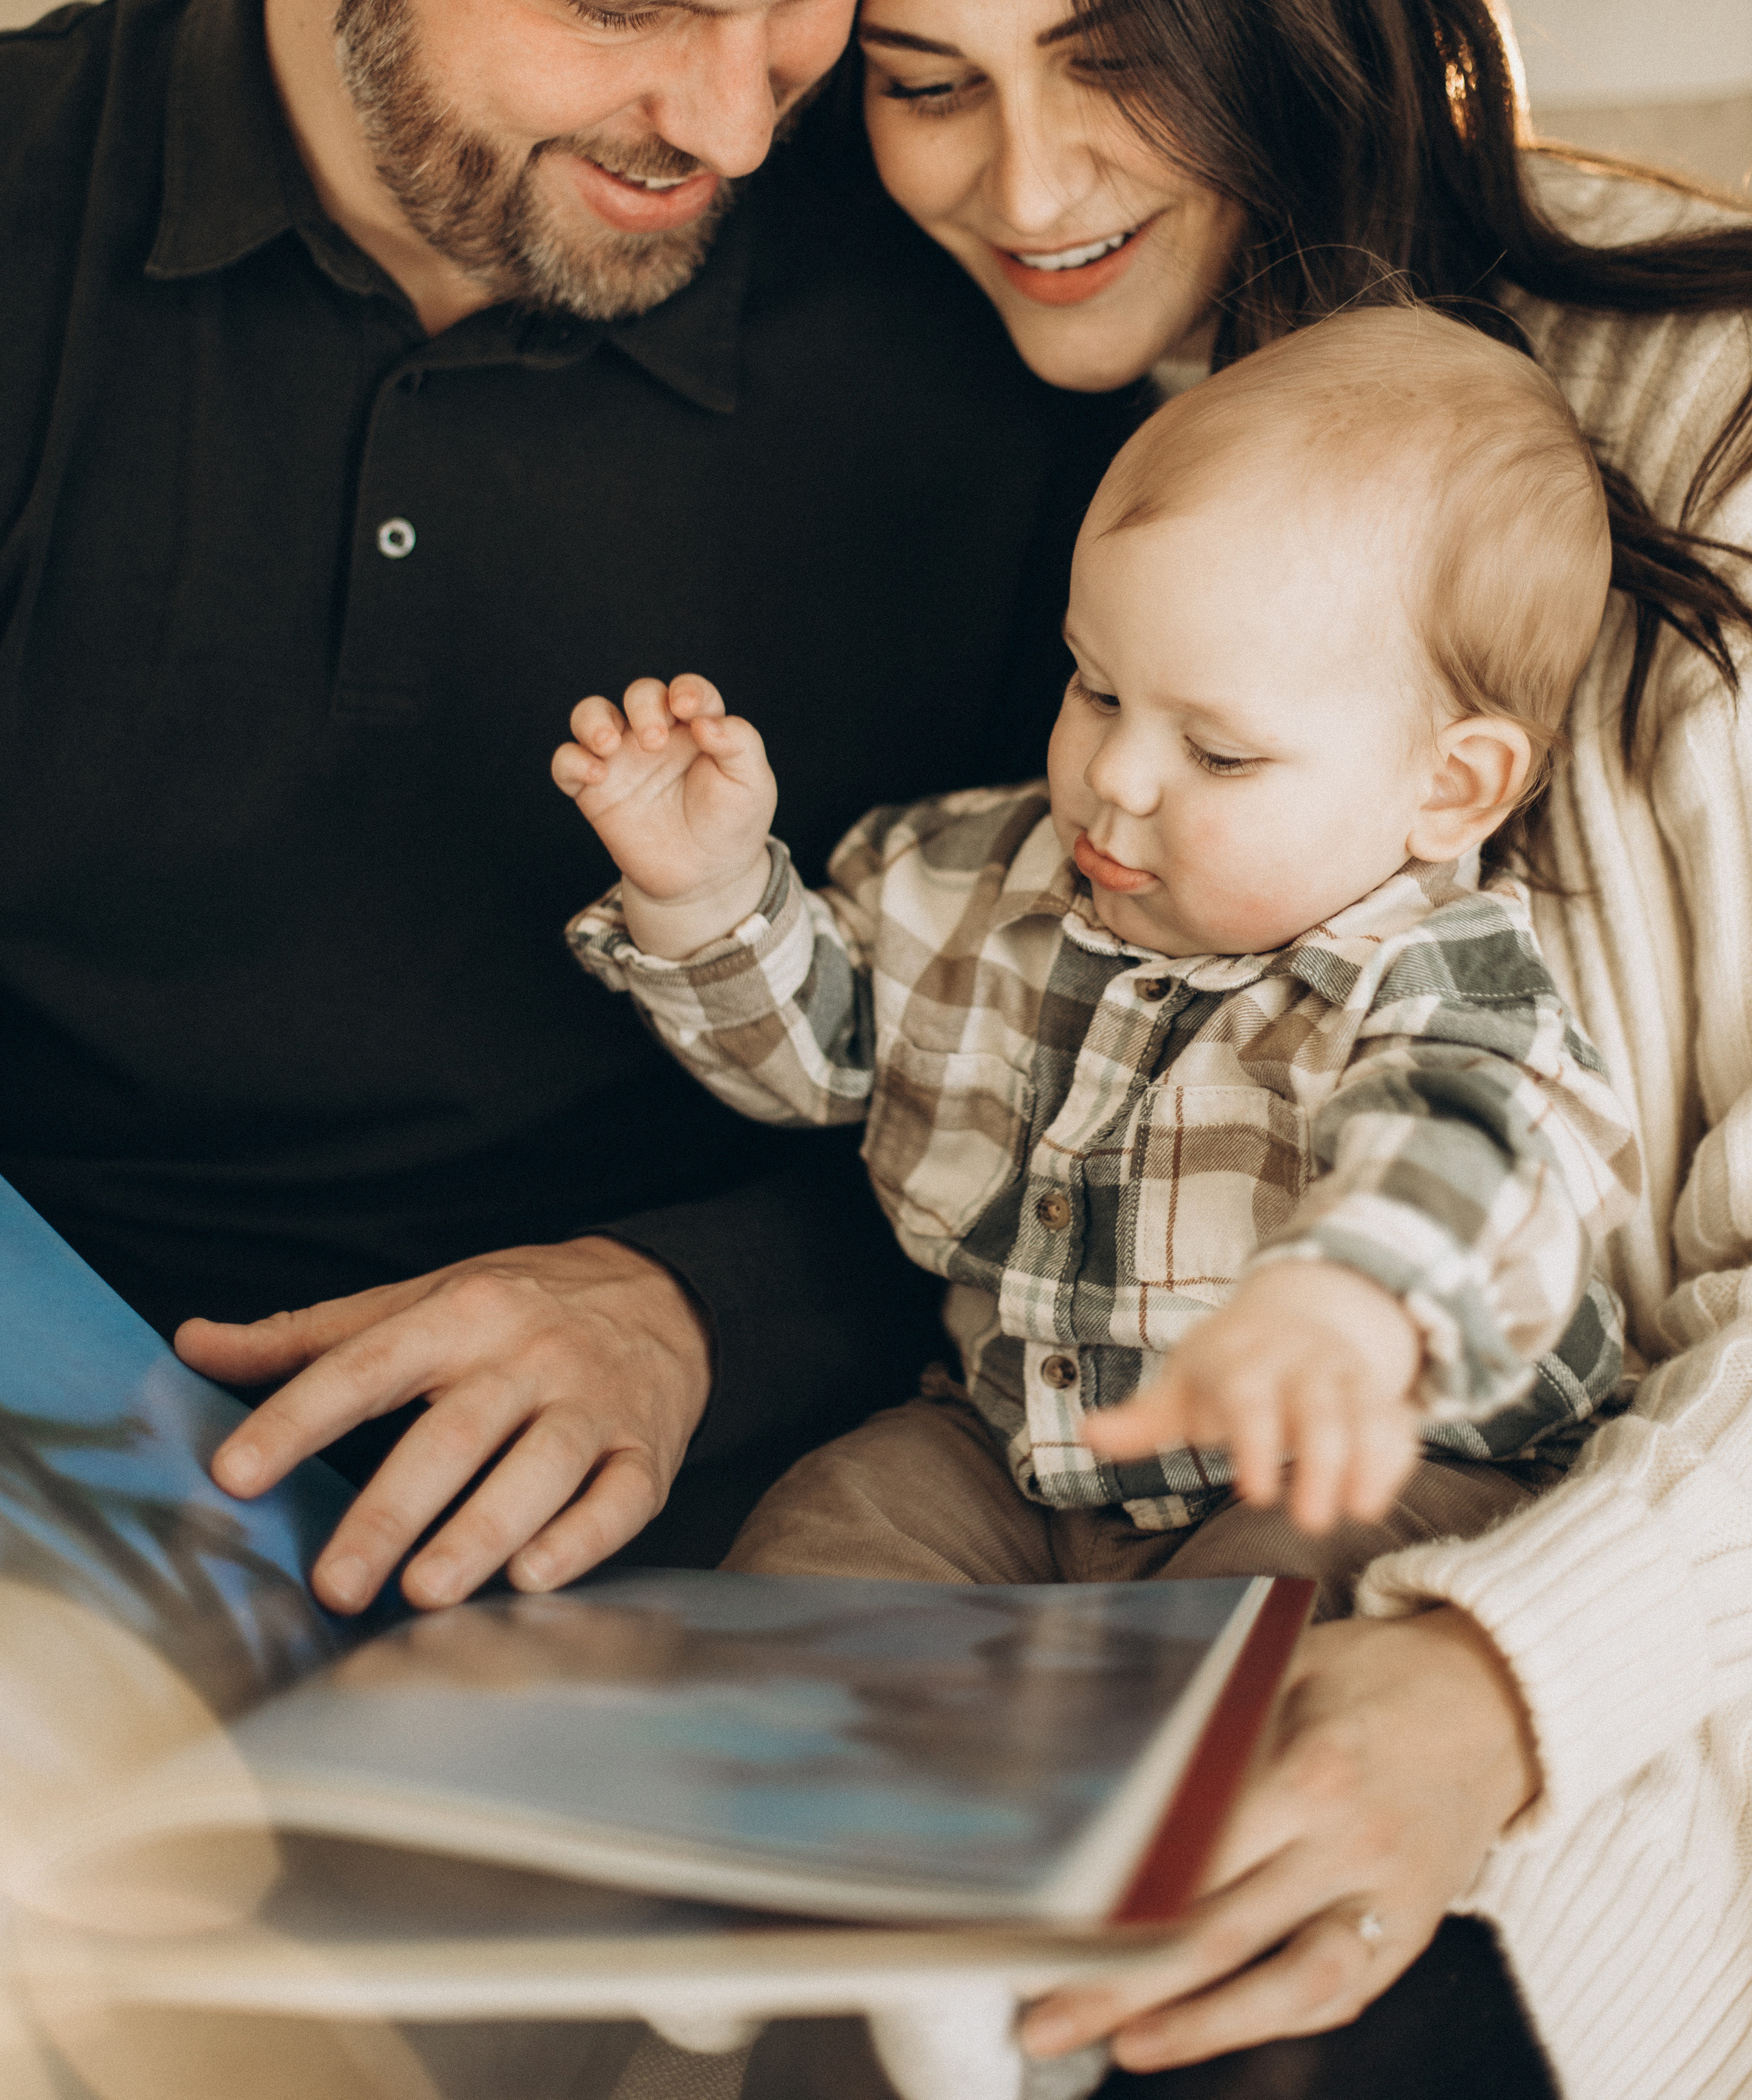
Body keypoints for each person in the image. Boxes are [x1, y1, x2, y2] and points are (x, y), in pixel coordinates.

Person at [760, 0, 1752, 2100]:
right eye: (922, 81)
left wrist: (1505, 1691)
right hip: (1063, 1561)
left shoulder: (1705, 422)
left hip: (1606, 1711)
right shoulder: (945, 455)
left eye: (1117, 53)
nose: (1031, 184)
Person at [0, 0, 1137, 1637]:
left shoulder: (992, 333)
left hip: (714, 1537)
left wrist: (707, 1310)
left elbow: (1136, 1052)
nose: (731, 123)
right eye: (625, 9)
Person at [557, 311, 1635, 1596]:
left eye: (1220, 753)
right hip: (1012, 1448)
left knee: (1281, 1622)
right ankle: (803, 1778)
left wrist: (1355, 1294)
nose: (1114, 776)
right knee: (826, 1532)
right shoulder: (977, 877)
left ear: (1451, 788)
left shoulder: (1429, 974)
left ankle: (1162, 1782)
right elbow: (821, 1061)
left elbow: (1476, 1143)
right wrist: (707, 888)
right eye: (1097, 688)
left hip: (1357, 1463)